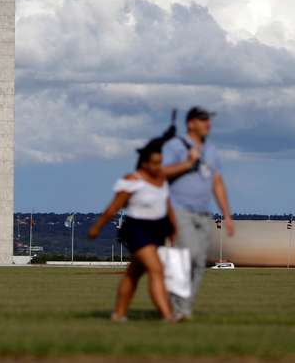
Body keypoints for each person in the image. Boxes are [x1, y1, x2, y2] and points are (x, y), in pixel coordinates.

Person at [88, 137, 179, 322]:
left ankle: (118, 314)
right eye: (154, 163)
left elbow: (167, 206)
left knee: (133, 273)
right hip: (137, 229)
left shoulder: (162, 180)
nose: (157, 167)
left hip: (157, 230)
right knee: (156, 269)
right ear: (144, 163)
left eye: (160, 163)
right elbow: (114, 207)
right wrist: (97, 227)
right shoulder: (132, 180)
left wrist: (174, 229)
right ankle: (167, 315)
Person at [162, 106, 234, 319]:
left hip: (203, 213)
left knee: (199, 262)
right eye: (203, 120)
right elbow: (162, 172)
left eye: (209, 120)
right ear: (191, 123)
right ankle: (178, 308)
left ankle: (183, 308)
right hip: (179, 209)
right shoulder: (175, 146)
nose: (208, 125)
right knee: (188, 255)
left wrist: (227, 215)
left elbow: (217, 182)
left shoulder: (211, 150)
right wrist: (188, 163)